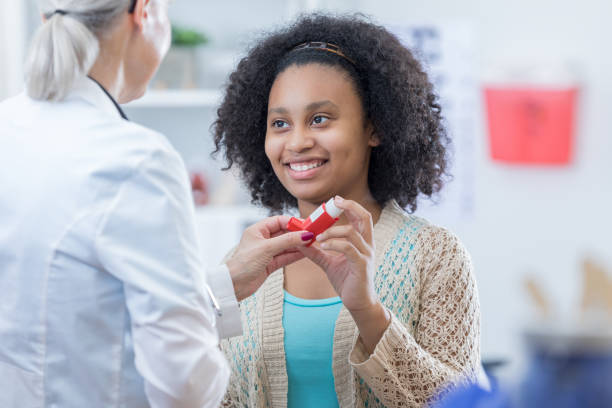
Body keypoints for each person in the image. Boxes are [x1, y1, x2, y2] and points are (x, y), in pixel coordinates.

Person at [0, 1, 314, 407]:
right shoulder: (135, 160)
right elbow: (184, 383)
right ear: (144, 12)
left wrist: (224, 284)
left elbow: (79, 309)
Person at [213, 13, 483, 408]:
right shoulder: (244, 264)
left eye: (319, 119)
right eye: (280, 123)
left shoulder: (436, 255)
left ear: (374, 128)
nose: (298, 141)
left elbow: (464, 403)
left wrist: (368, 311)